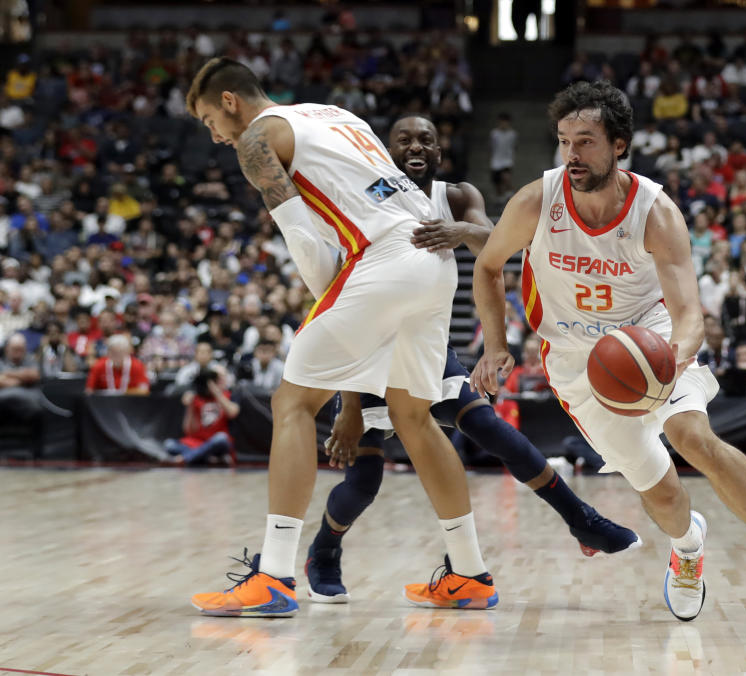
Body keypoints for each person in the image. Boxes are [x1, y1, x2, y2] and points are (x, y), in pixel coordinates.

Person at [472, 81, 746, 621]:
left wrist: (674, 362)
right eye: (565, 140)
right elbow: (486, 265)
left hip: (651, 338)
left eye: (587, 141)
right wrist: (496, 345)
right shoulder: (536, 200)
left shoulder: (655, 211)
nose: (572, 154)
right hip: (578, 363)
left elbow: (689, 314)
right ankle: (688, 549)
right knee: (662, 494)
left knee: (692, 435)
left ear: (620, 145)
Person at [186, 57, 496, 617]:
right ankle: (470, 573)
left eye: (210, 119)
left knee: (292, 402)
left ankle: (275, 577)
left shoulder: (257, 139)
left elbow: (303, 238)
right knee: (415, 418)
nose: (212, 134)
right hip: (433, 260)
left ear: (231, 101)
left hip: (381, 260)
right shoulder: (333, 113)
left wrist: (334, 305)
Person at [304, 115, 637, 605]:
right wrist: (350, 406)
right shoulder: (362, 199)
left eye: (426, 140)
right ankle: (324, 550)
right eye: (404, 140)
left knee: (497, 432)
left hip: (425, 347)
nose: (416, 146)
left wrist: (460, 229)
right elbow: (345, 301)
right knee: (363, 483)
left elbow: (497, 245)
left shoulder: (456, 196)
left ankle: (581, 520)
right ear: (384, 151)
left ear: (440, 153)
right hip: (369, 353)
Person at [164, 366, 238, 466]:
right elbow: (188, 430)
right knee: (169, 444)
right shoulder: (196, 398)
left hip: (217, 442)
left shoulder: (227, 395)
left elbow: (233, 412)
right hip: (197, 442)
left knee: (221, 438)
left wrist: (216, 392)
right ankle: (210, 459)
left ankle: (186, 458)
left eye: (219, 377)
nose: (217, 380)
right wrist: (190, 407)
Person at [84, 334, 150, 395]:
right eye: (114, 352)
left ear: (127, 352)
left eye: (121, 352)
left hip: (130, 404)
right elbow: (89, 390)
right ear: (108, 352)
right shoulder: (99, 365)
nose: (118, 356)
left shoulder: (137, 365)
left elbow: (144, 390)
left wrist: (123, 393)